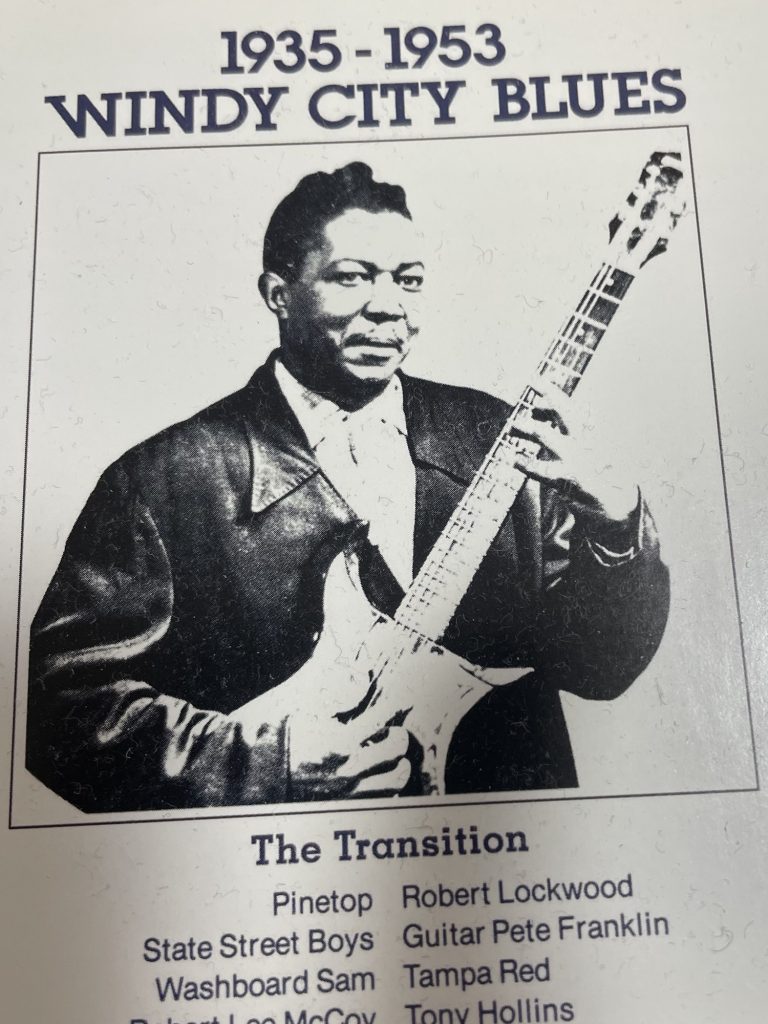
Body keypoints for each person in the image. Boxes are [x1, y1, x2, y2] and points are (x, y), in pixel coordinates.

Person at [26, 162, 669, 812]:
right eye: (352, 276)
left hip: (496, 843)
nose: (389, 305)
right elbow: (64, 715)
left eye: (408, 280)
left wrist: (616, 529)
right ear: (278, 293)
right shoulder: (163, 478)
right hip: (285, 860)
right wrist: (270, 762)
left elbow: (601, 668)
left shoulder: (500, 438)